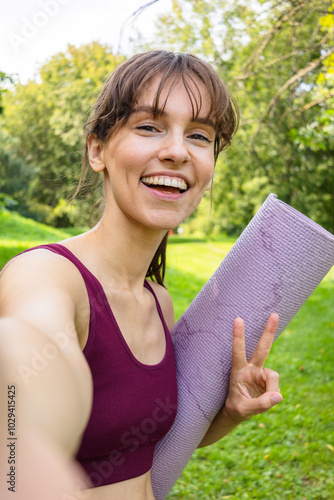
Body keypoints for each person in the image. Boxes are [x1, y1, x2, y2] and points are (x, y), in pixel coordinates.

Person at [0, 51, 282, 500]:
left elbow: (136, 447)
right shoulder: (45, 275)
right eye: (149, 127)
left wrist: (228, 414)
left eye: (199, 135)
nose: (175, 151)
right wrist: (23, 443)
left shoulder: (159, 300)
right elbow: (24, 366)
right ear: (98, 150)